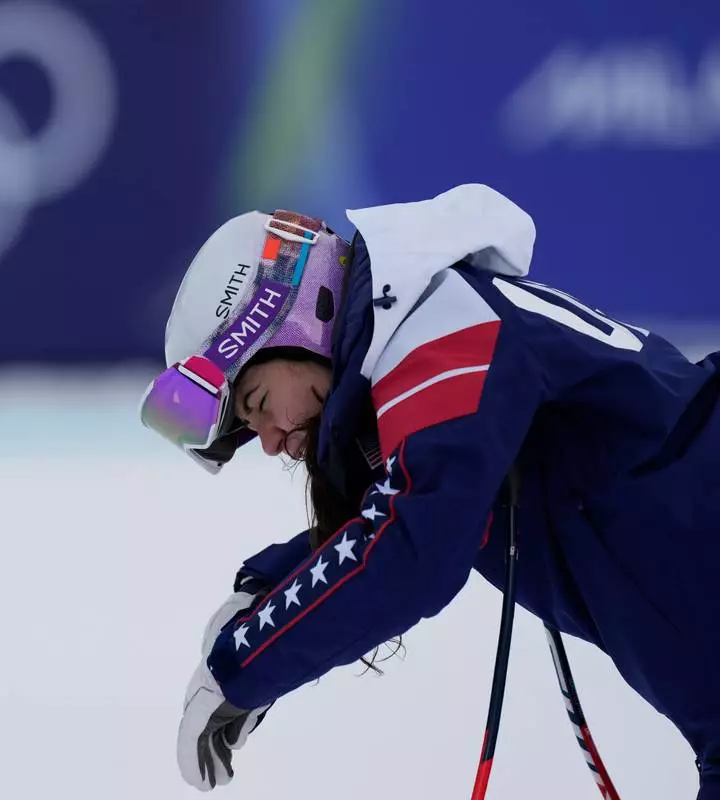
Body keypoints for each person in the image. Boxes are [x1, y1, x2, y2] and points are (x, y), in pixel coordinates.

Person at [138, 184, 720, 797]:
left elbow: (410, 548)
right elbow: (397, 510)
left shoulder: (437, 332)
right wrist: (268, 591)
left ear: (303, 319)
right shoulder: (423, 334)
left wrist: (246, 664)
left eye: (258, 404)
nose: (271, 443)